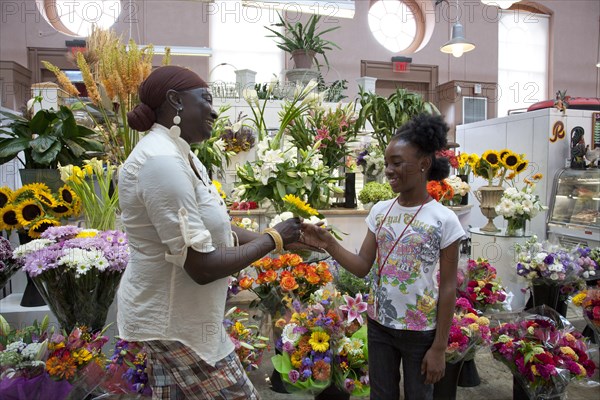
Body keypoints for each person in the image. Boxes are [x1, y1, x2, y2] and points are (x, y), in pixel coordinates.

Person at [118, 65, 303, 399]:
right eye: (205, 99)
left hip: (178, 318)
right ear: (174, 101)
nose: (215, 110)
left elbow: (215, 229)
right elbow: (200, 267)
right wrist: (273, 238)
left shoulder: (182, 154)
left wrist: (288, 238)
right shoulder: (160, 161)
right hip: (174, 322)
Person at [303, 114, 466, 400]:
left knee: (418, 395)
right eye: (387, 162)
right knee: (381, 395)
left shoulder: (445, 220)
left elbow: (449, 286)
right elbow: (362, 266)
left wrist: (439, 346)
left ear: (424, 164)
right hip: (379, 325)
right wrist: (329, 243)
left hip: (420, 331)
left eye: (397, 162)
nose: (389, 170)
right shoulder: (380, 211)